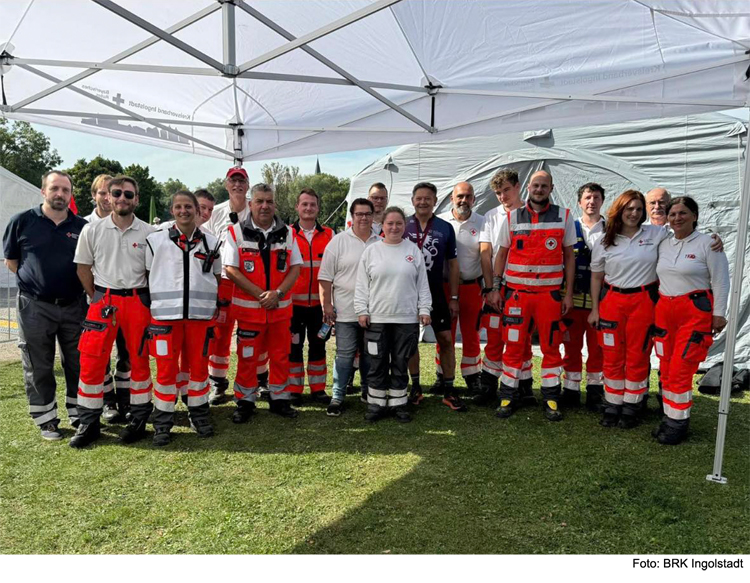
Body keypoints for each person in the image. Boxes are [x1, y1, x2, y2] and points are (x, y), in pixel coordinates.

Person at [2, 170, 88, 440]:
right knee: (38, 362)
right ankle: (46, 419)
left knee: (78, 361)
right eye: (55, 189)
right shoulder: (22, 221)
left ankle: (78, 412)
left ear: (70, 194)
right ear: (43, 191)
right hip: (35, 306)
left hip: (74, 304)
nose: (60, 194)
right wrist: (39, 284)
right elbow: (12, 262)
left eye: (65, 190)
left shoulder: (82, 226)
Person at [72, 175, 156, 447]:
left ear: (137, 200)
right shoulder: (91, 230)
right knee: (92, 361)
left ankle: (139, 419)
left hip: (136, 300)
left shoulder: (149, 233)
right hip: (103, 300)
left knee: (139, 361)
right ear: (107, 196)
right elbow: (83, 268)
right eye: (116, 193)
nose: (122, 198)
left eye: (128, 194)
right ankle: (89, 422)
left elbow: (150, 271)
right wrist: (95, 296)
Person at [491, 170, 576, 421]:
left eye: (544, 186)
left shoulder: (564, 216)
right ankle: (508, 395)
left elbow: (569, 256)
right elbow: (501, 254)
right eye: (535, 185)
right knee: (514, 346)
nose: (539, 190)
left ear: (551, 188)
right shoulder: (512, 217)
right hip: (517, 296)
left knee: (551, 346)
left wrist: (568, 294)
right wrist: (496, 288)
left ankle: (551, 397)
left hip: (548, 297)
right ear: (528, 187)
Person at [145, 190, 222, 446]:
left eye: (188, 206)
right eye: (178, 207)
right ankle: (163, 422)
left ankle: (198, 414)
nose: (183, 211)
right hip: (165, 320)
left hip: (200, 319)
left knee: (198, 370)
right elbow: (147, 276)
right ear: (172, 210)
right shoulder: (155, 241)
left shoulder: (212, 242)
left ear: (197, 210)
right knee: (166, 372)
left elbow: (217, 278)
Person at [588, 190, 669, 429]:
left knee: (637, 355)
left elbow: (684, 238)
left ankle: (632, 406)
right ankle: (612, 404)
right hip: (612, 301)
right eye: (629, 209)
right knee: (612, 355)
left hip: (643, 301)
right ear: (619, 210)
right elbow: (596, 277)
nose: (633, 214)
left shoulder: (657, 234)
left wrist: (712, 239)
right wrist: (595, 309)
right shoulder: (604, 239)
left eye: (638, 209)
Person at [651, 196, 729, 445]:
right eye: (672, 214)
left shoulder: (708, 244)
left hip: (694, 311)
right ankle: (668, 415)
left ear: (694, 216)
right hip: (665, 310)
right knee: (666, 365)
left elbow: (720, 280)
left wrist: (719, 313)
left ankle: (678, 423)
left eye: (683, 213)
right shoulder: (664, 241)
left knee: (681, 368)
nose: (677, 218)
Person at [223, 183, 302, 421]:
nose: (265, 206)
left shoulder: (288, 233)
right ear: (250, 204)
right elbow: (230, 269)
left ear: (275, 204)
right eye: (259, 201)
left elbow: (296, 267)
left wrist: (276, 293)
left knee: (280, 356)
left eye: (269, 201)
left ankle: (279, 399)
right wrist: (261, 295)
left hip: (279, 312)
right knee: (248, 358)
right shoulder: (235, 232)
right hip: (250, 314)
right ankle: (245, 401)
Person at [355, 207, 432, 423]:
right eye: (390, 223)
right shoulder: (372, 251)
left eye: (399, 223)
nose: (394, 227)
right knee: (376, 362)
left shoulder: (413, 250)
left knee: (400, 362)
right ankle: (376, 404)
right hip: (377, 319)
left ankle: (399, 404)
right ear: (383, 225)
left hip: (406, 319)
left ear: (404, 225)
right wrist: (362, 310)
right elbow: (362, 285)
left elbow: (422, 285)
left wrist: (424, 309)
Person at [403, 182, 465, 412]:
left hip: (437, 292)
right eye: (419, 198)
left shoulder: (445, 227)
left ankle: (449, 389)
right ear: (412, 200)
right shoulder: (402, 225)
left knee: (447, 340)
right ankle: (416, 387)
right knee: (410, 342)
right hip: (408, 293)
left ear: (435, 201)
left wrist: (455, 296)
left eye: (427, 198)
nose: (423, 202)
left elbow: (453, 264)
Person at [475, 169, 534, 407]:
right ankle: (489, 385)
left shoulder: (532, 214)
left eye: (506, 190)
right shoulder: (491, 215)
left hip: (523, 288)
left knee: (523, 339)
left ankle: (523, 387)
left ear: (518, 186)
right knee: (495, 336)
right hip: (497, 287)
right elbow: (485, 252)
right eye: (498, 193)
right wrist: (491, 288)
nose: (502, 196)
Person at [318, 198, 381, 416]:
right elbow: (325, 277)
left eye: (367, 214)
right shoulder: (338, 242)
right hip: (344, 311)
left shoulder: (380, 242)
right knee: (344, 355)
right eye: (359, 214)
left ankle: (366, 391)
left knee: (368, 355)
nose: (363, 218)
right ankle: (337, 396)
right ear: (351, 216)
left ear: (373, 216)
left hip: (374, 312)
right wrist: (327, 305)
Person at [83, 173, 132, 423]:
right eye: (102, 192)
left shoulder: (136, 226)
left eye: (110, 191)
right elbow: (82, 267)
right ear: (95, 196)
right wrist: (97, 295)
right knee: (98, 355)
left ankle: (126, 400)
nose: (107, 197)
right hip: (97, 301)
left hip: (128, 303)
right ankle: (107, 401)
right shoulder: (86, 226)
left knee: (127, 353)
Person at [202, 167, 252, 405]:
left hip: (252, 281)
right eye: (233, 181)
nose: (237, 185)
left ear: (248, 184)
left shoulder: (257, 208)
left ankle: (258, 380)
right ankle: (218, 383)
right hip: (222, 280)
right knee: (221, 334)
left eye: (242, 180)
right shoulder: (216, 213)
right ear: (226, 184)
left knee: (252, 332)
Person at [435, 182, 485, 397]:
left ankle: (472, 376)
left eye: (468, 196)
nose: (463, 200)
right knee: (444, 334)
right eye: (460, 196)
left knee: (472, 334)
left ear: (474, 199)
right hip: (445, 287)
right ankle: (441, 375)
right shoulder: (441, 222)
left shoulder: (483, 222)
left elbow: (487, 256)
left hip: (472, 286)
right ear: (451, 199)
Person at [560, 183, 606, 411]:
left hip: (602, 303)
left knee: (598, 349)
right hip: (573, 302)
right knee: (571, 346)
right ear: (579, 202)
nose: (592, 202)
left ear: (602, 201)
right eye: (587, 197)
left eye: (596, 197)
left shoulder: (611, 230)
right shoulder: (569, 227)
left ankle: (596, 393)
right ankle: (570, 390)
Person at [288, 188, 334, 405]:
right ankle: (294, 389)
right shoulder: (286, 234)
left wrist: (329, 304)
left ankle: (318, 389)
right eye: (304, 204)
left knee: (319, 346)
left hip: (319, 306)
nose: (308, 208)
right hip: (292, 305)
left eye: (312, 204)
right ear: (297, 207)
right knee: (293, 348)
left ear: (318, 208)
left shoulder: (330, 235)